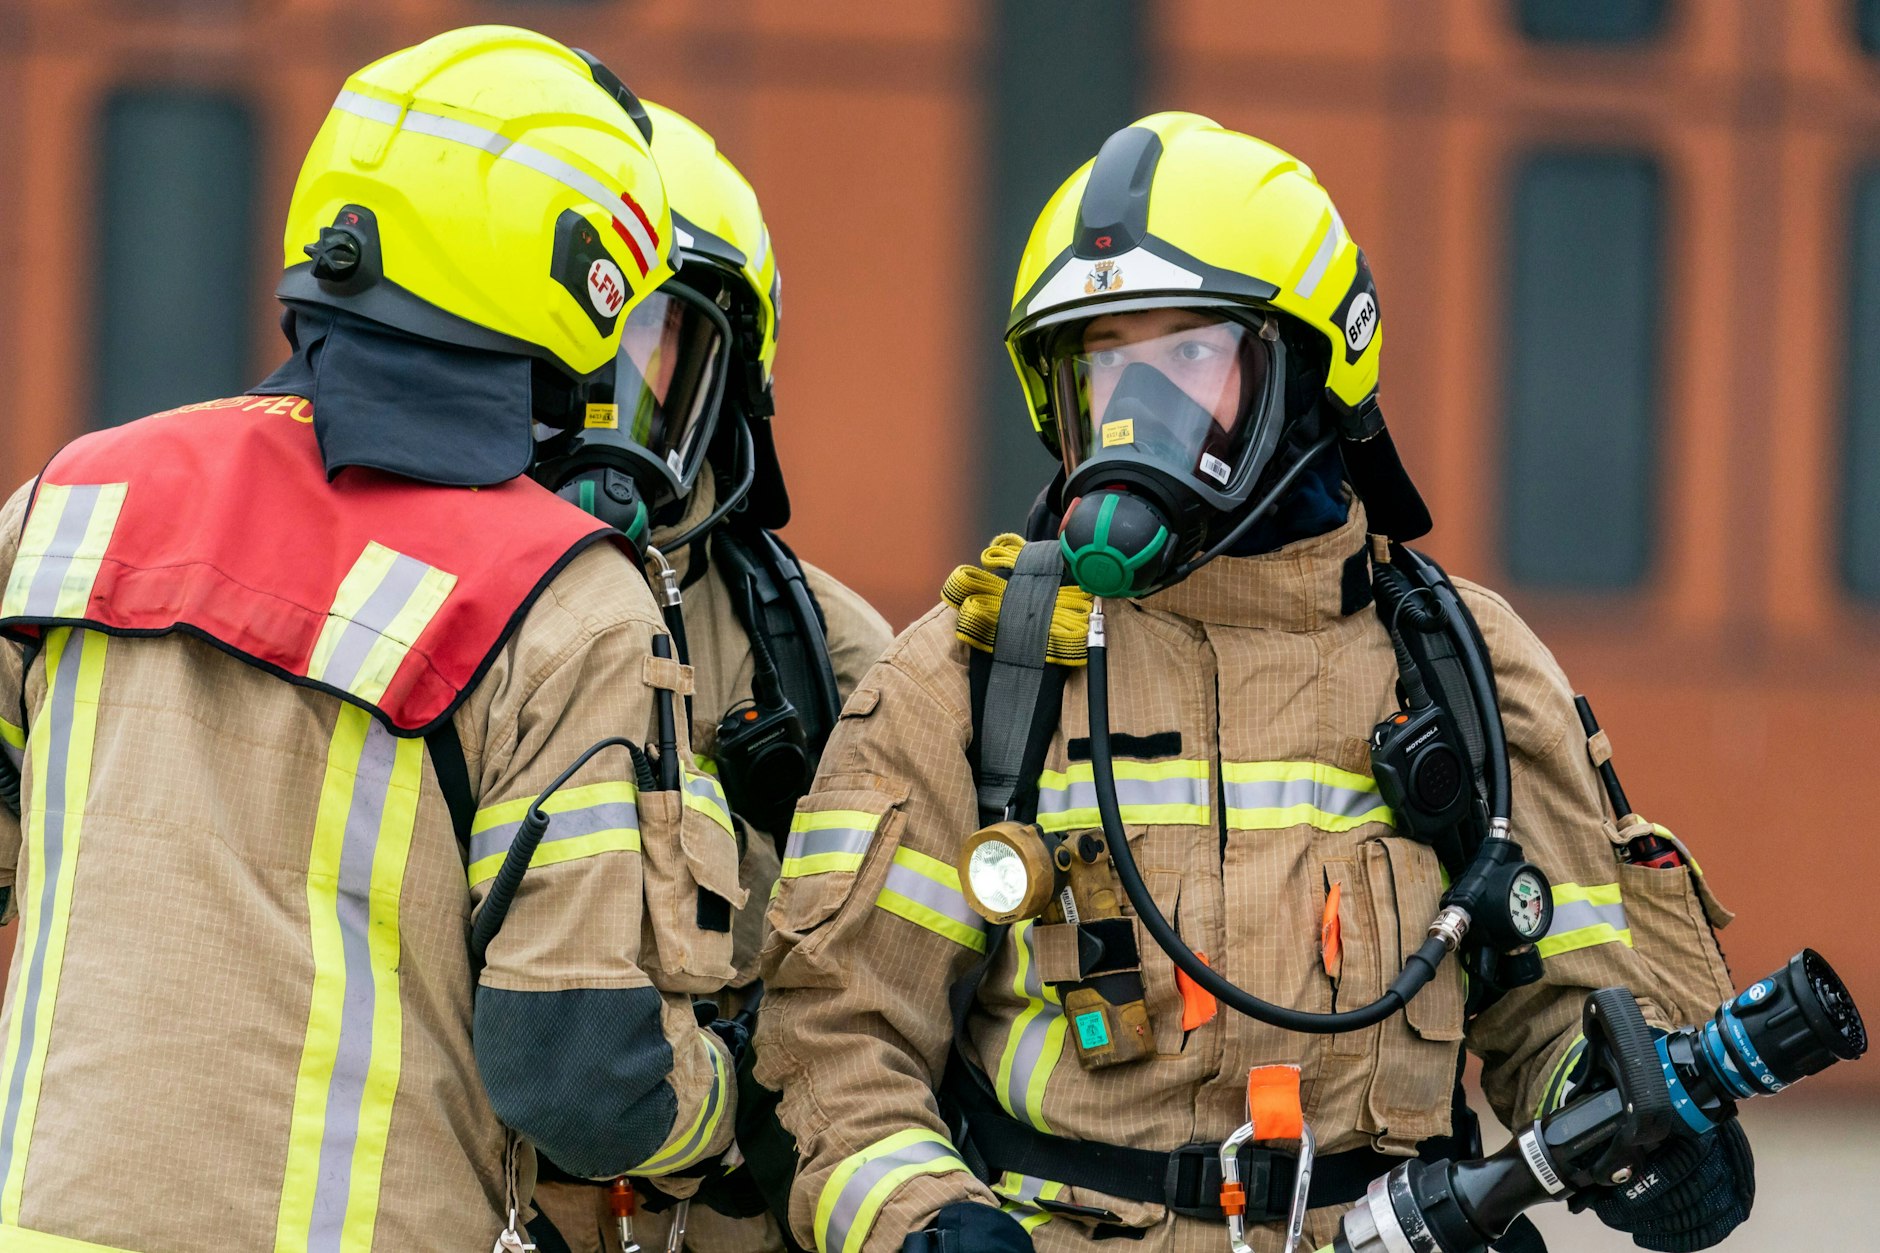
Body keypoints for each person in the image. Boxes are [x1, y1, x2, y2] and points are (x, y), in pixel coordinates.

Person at [753, 112, 1749, 1253]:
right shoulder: (977, 674)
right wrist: (921, 1222)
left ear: (1306, 373)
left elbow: (1560, 1012)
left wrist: (1631, 1115)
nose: (1138, 418)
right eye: (1102, 367)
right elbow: (834, 1036)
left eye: (1184, 359)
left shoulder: (1460, 670)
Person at [0, 27, 740, 1252]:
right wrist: (728, 1102)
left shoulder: (74, 500)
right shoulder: (565, 602)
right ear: (576, 284)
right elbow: (579, 1074)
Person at [526, 101, 894, 1253]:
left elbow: (895, 1012)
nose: (595, 400)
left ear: (725, 380)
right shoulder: (396, 608)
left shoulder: (828, 655)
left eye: (641, 345)